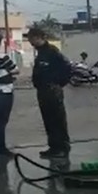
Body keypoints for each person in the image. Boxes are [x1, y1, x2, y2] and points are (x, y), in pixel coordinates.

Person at [27, 27, 73, 158]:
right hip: (42, 91)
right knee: (48, 121)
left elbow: (67, 68)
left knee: (57, 120)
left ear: (38, 37)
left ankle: (63, 148)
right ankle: (53, 147)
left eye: (31, 39)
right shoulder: (40, 52)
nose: (30, 42)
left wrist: (57, 83)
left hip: (52, 91)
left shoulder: (52, 51)